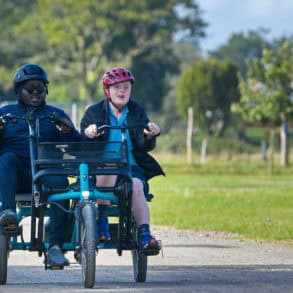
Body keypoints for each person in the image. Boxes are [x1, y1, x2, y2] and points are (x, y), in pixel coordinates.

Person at [0, 64, 81, 267]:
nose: (36, 94)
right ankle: (8, 213)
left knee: (61, 182)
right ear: (19, 90)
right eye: (30, 89)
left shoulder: (55, 114)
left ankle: (54, 247)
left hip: (47, 173)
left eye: (40, 89)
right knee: (7, 158)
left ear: (46, 90)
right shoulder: (6, 114)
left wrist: (69, 132)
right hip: (17, 177)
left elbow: (79, 149)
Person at [80, 67, 165, 255]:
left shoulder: (136, 111)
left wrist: (151, 135)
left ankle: (144, 234)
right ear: (107, 91)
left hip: (132, 168)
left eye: (126, 87)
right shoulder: (94, 112)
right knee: (110, 168)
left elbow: (144, 146)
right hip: (103, 169)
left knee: (136, 185)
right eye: (117, 87)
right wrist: (88, 133)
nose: (122, 91)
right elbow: (82, 142)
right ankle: (101, 220)